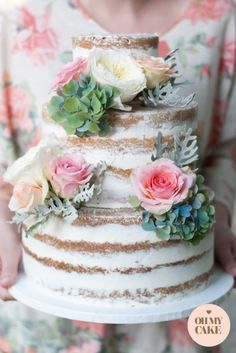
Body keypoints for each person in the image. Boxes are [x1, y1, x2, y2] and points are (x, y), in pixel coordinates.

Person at [0, 0, 235, 352]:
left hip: (176, 306)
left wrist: (219, 210)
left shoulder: (221, 18)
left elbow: (228, 146)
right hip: (45, 310)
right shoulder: (15, 24)